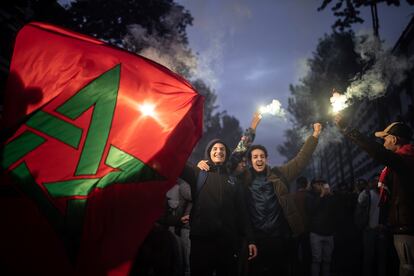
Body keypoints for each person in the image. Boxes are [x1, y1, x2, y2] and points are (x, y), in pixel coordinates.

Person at [180, 113, 261, 276]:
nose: (219, 151)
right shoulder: (197, 173)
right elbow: (176, 160)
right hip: (201, 241)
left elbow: (242, 212)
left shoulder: (232, 177)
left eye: (222, 149)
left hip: (228, 242)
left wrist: (253, 127)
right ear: (209, 153)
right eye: (215, 149)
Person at [238, 122, 322, 276]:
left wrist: (315, 136)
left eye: (262, 156)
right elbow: (236, 155)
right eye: (255, 157)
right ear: (250, 160)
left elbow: (300, 160)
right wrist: (252, 128)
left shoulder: (279, 174)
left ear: (267, 159)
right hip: (255, 240)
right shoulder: (243, 179)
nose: (259, 160)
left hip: (280, 237)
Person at [335, 116, 414, 276]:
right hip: (402, 227)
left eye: (385, 138)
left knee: (408, 269)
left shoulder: (406, 160)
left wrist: (349, 130)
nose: (383, 143)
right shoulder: (403, 161)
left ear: (394, 139)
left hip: (408, 229)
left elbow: (377, 152)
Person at [308, 180, 337, 276]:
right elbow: (311, 210)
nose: (320, 187)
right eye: (317, 185)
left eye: (322, 185)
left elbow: (336, 211)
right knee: (316, 260)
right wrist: (321, 195)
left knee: (327, 260)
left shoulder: (331, 197)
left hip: (329, 233)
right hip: (316, 233)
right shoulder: (311, 196)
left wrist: (331, 195)